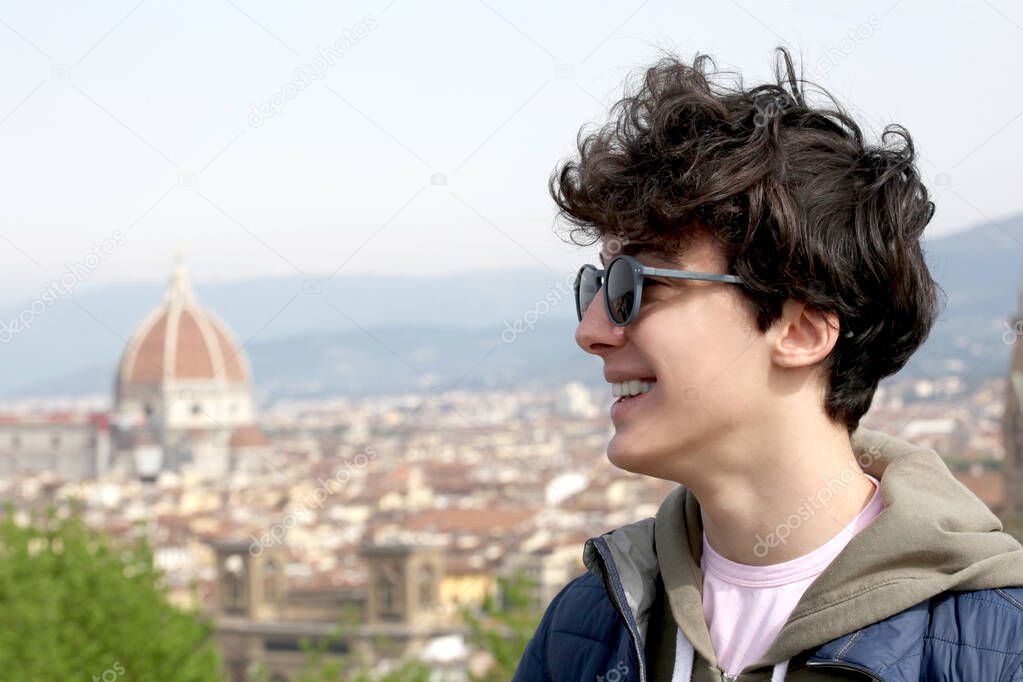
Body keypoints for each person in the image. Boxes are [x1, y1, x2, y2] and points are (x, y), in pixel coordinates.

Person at [511, 46, 1023, 681]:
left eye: (635, 285)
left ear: (802, 330)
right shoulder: (587, 628)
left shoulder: (994, 649)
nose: (591, 331)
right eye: (598, 286)